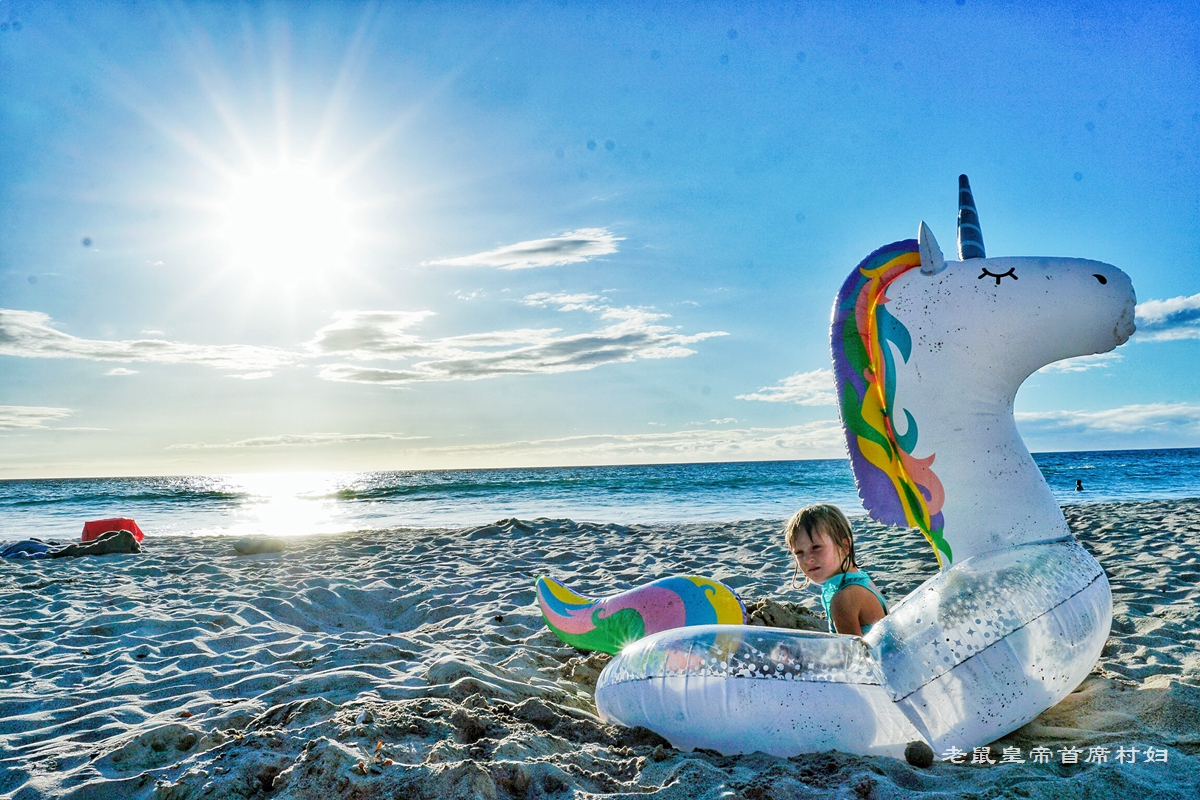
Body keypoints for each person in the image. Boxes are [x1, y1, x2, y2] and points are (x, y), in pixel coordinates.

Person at [786, 504, 887, 636]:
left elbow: (852, 654)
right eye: (799, 552)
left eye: (816, 547)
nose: (807, 559)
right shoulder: (861, 579)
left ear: (844, 546)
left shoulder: (844, 598)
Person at [1, 529, 141, 560]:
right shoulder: (4, 549)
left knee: (48, 550)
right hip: (27, 545)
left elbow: (22, 554)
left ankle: (106, 541)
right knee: (49, 549)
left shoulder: (5, 549)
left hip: (25, 545)